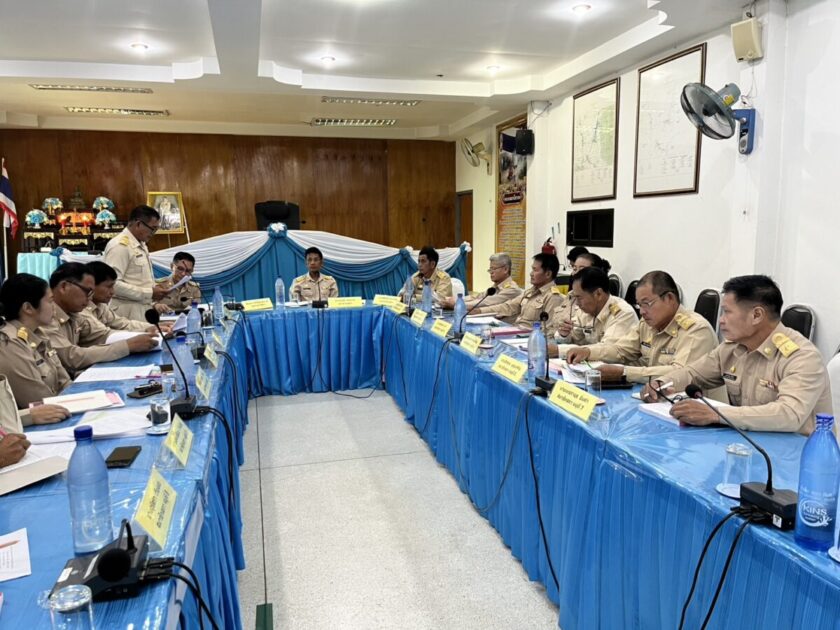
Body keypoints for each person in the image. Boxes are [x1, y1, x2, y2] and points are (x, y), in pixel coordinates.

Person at [642, 275, 833, 434]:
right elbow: (693, 373)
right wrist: (662, 383)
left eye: (727, 312)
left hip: (798, 456)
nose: (721, 321)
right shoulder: (732, 348)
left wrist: (716, 414)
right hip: (749, 443)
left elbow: (789, 414)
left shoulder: (802, 357)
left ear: (757, 315)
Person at [566, 270, 718, 382]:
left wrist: (625, 372)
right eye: (639, 305)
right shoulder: (647, 323)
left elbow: (679, 374)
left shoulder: (696, 330)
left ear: (669, 298)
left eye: (647, 303)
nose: (642, 312)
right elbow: (621, 350)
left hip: (700, 410)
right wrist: (587, 352)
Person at [43, 263, 158, 376]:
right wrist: (127, 346)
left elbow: (102, 335)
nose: (90, 298)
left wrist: (146, 332)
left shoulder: (74, 313)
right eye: (87, 291)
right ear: (64, 287)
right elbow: (72, 357)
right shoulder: (45, 316)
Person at [0, 273, 72, 424]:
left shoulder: (38, 334)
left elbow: (65, 383)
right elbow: (38, 401)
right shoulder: (9, 343)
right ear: (28, 308)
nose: (55, 308)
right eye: (50, 301)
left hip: (60, 409)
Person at [549, 267, 637, 357]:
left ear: (598, 294)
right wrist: (564, 335)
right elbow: (575, 338)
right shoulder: (586, 310)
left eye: (579, 297)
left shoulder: (623, 313)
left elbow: (607, 350)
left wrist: (559, 351)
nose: (577, 303)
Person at [103, 205, 169, 320]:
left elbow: (140, 280)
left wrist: (154, 293)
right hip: (126, 313)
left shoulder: (140, 244)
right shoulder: (120, 246)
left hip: (142, 309)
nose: (153, 233)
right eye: (153, 229)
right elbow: (112, 284)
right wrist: (149, 293)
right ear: (138, 224)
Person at [472, 253, 566, 333]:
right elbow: (508, 306)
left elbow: (547, 331)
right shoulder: (530, 292)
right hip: (515, 332)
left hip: (527, 339)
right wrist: (479, 311)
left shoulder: (553, 298)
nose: (531, 274)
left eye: (535, 270)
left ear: (548, 274)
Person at [83, 262, 158, 335]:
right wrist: (143, 332)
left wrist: (153, 327)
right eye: (109, 287)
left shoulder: (101, 306)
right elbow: (103, 335)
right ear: (91, 286)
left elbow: (123, 324)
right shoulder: (81, 310)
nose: (112, 292)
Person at [440, 252, 522, 309]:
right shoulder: (495, 287)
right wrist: (456, 300)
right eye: (490, 269)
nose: (491, 272)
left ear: (505, 269)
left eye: (494, 269)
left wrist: (458, 304)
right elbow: (477, 297)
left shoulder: (512, 289)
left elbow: (486, 302)